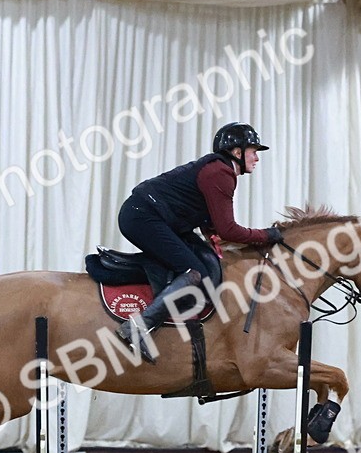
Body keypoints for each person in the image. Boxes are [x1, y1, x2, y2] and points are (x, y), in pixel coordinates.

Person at [114, 122, 283, 363]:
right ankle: (136, 327)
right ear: (237, 151)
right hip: (143, 216)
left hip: (150, 214)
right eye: (253, 151)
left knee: (203, 266)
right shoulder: (220, 173)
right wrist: (266, 236)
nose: (256, 158)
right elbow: (229, 230)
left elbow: (209, 219)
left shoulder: (219, 170)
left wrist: (213, 235)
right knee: (194, 273)